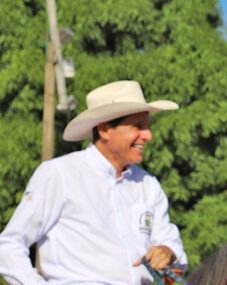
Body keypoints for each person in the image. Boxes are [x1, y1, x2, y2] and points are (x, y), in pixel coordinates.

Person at [0, 80, 187, 284]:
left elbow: (175, 259)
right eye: (138, 126)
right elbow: (9, 245)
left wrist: (167, 252)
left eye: (147, 126)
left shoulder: (148, 185)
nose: (148, 135)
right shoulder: (59, 174)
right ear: (105, 129)